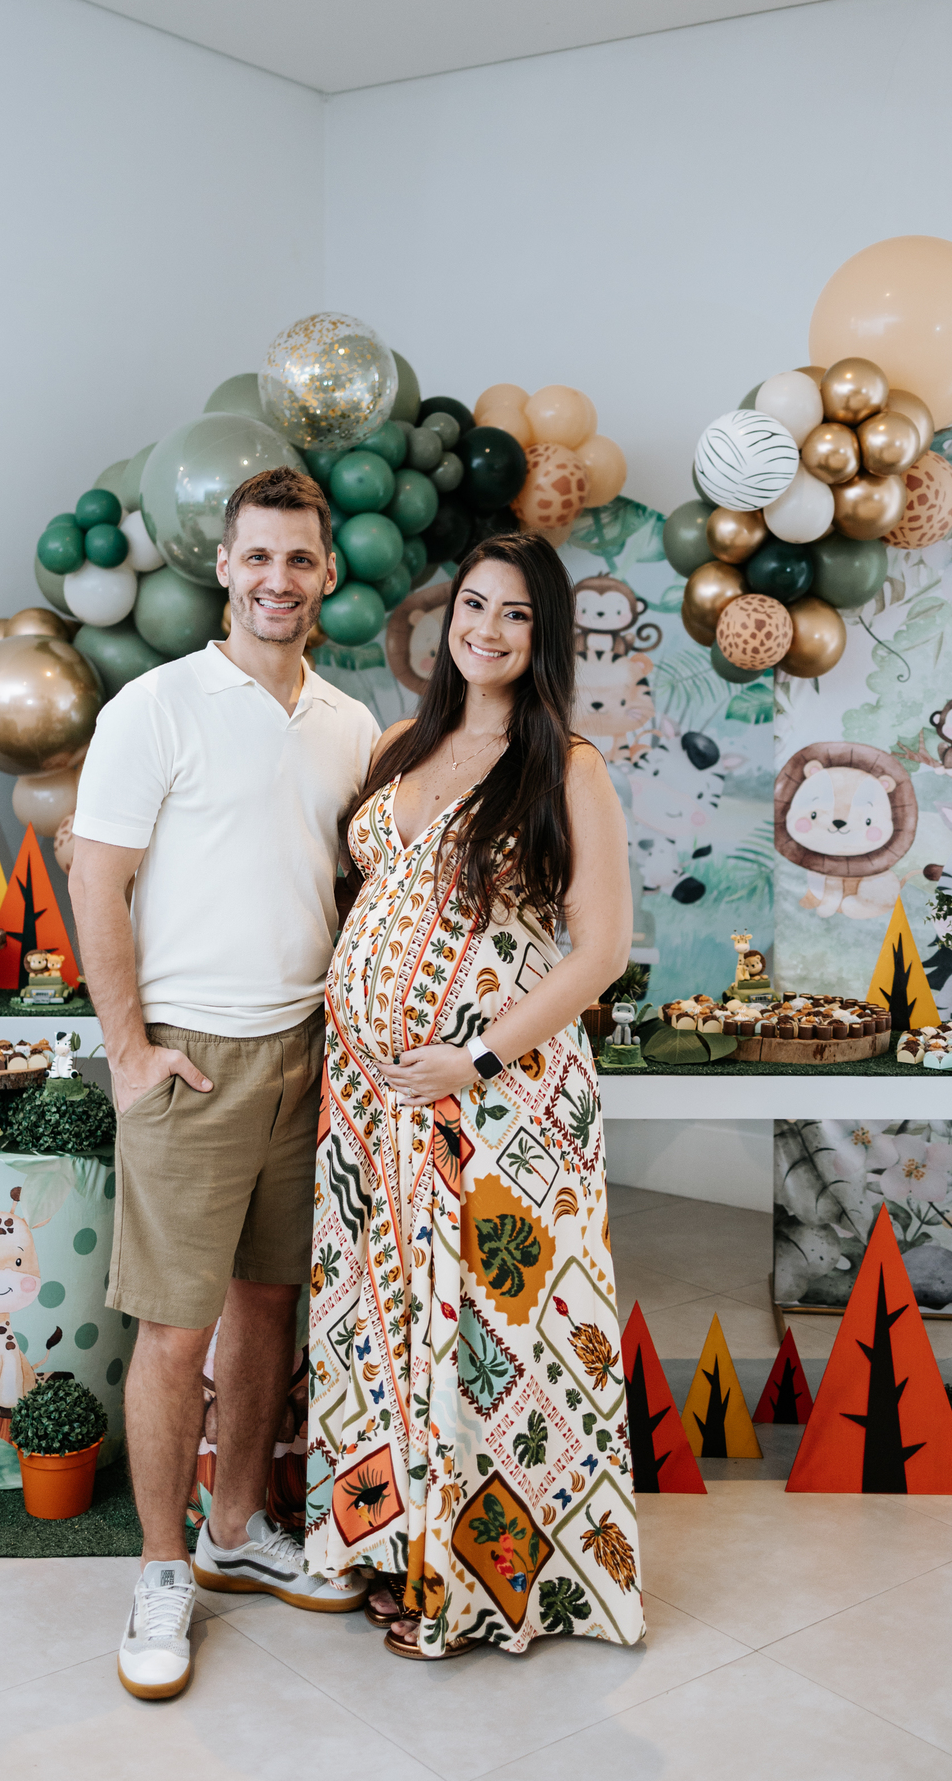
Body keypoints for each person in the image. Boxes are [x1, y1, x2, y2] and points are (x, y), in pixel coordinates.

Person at [304, 531, 645, 1659]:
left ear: (543, 639)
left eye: (516, 616)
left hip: (498, 1101)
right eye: (474, 607)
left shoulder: (567, 766)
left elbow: (597, 953)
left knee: (493, 1337)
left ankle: (483, 1586)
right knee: (387, 1323)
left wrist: (477, 1058)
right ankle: (397, 1546)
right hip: (368, 1102)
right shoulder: (406, 741)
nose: (487, 630)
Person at [70, 466, 378, 1701]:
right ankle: (161, 1571)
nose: (278, 581)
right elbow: (97, 880)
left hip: (307, 1053)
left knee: (265, 1308)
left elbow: (354, 892)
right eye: (259, 558)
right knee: (174, 1326)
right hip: (192, 1054)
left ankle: (238, 1525)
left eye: (300, 561)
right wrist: (131, 1052)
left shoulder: (351, 725)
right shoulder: (155, 706)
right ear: (224, 567)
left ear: (328, 575)